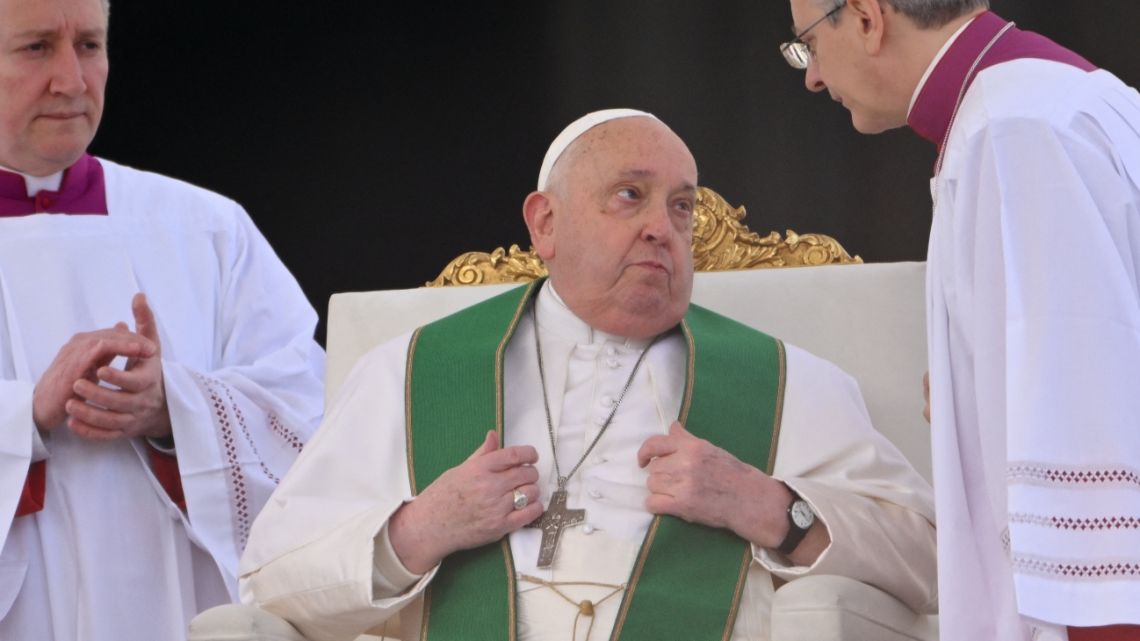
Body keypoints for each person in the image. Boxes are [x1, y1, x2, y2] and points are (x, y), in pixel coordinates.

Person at [234, 109, 936, 641]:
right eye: (629, 195)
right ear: (545, 224)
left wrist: (770, 507)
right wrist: (422, 527)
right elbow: (267, 577)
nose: (663, 226)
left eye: (681, 205)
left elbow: (931, 558)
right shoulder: (410, 373)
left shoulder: (786, 381)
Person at [781, 0, 1140, 639]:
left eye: (807, 43)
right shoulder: (1052, 95)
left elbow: (1088, 421)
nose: (810, 76)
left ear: (865, 20)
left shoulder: (1015, 131)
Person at [0, 0, 325, 638]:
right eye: (36, 47)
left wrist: (174, 409)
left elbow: (308, 413)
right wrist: (28, 415)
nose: (72, 80)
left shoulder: (204, 227)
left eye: (90, 46)